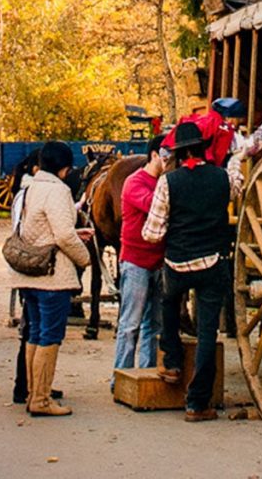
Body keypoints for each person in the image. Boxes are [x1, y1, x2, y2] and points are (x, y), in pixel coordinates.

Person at [143, 121, 254, 420]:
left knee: (168, 302)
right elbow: (236, 185)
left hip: (177, 263)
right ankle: (196, 404)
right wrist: (235, 162)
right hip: (212, 263)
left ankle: (173, 360)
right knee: (207, 333)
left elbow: (151, 234)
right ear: (204, 149)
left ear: (178, 153)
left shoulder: (169, 182)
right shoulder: (220, 179)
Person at [4, 141, 92, 417]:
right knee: (50, 336)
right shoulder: (58, 191)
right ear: (64, 168)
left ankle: (33, 393)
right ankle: (41, 398)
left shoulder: (29, 187)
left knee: (35, 333)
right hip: (52, 275)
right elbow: (64, 235)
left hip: (29, 273)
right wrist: (84, 257)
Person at [112, 135, 171, 371]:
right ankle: (122, 377)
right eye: (166, 156)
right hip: (136, 262)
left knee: (153, 325)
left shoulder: (163, 183)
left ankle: (146, 378)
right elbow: (157, 208)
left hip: (158, 262)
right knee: (130, 325)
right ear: (154, 155)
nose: (169, 161)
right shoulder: (134, 183)